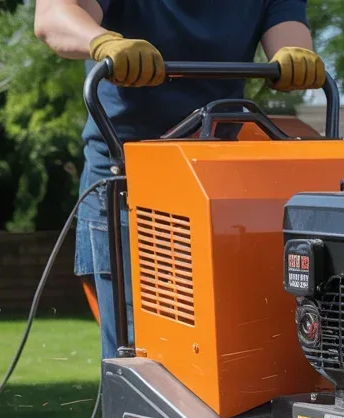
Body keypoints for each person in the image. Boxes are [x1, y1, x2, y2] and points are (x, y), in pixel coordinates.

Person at [34, 0, 325, 358]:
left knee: (229, 348)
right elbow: (52, 15)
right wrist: (103, 41)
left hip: (215, 185)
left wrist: (296, 58)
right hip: (127, 185)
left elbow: (288, 40)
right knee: (144, 354)